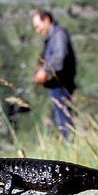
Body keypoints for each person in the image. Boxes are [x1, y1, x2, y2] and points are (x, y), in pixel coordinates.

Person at [32, 10, 77, 139]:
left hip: (61, 83)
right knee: (61, 117)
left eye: (37, 26)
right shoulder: (52, 36)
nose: (37, 30)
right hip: (56, 84)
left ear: (46, 19)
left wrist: (45, 71)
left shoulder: (59, 34)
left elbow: (59, 57)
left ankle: (69, 144)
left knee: (64, 119)